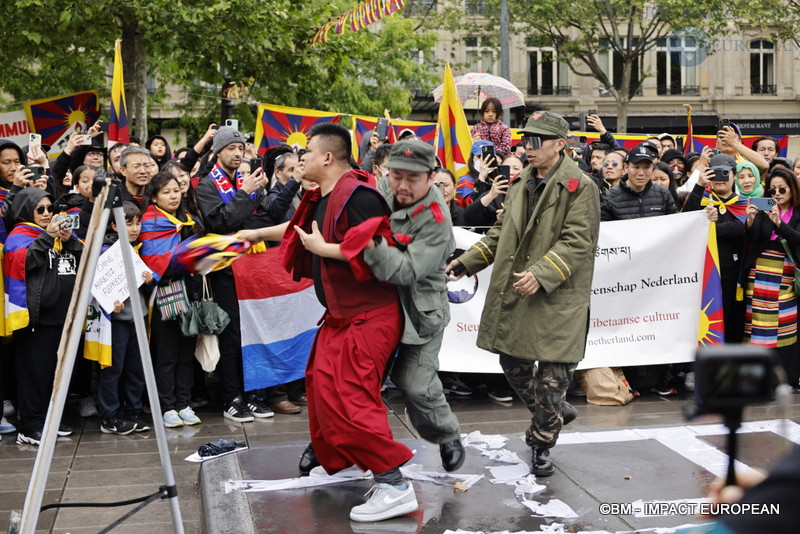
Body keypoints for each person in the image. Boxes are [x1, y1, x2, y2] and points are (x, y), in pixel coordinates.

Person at [445, 111, 600, 477]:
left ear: (560, 145)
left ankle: (541, 441)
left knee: (552, 376)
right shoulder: (519, 183)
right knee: (511, 363)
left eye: (537, 141)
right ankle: (555, 410)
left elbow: (578, 241)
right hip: (519, 290)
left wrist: (542, 273)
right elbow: (500, 235)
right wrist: (466, 263)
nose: (527, 147)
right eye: (526, 140)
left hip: (558, 296)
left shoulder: (581, 187)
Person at [282, 122, 417, 522]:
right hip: (341, 318)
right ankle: (341, 461)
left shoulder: (358, 196)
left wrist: (326, 249)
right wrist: (252, 231)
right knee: (322, 389)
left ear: (326, 157)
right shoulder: (322, 196)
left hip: (369, 318)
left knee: (353, 401)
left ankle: (394, 485)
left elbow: (385, 253)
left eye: (305, 151)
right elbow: (298, 235)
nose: (299, 157)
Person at [362, 140, 465, 471]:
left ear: (431, 177)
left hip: (419, 310)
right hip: (376, 304)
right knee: (350, 380)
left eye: (413, 179)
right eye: (396, 176)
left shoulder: (436, 219)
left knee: (415, 383)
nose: (402, 186)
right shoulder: (382, 189)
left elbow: (406, 270)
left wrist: (369, 242)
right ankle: (324, 447)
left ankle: (446, 434)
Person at [195, 126, 288, 421]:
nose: (238, 153)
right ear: (218, 152)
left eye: (241, 148)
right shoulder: (207, 186)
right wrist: (245, 193)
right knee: (232, 336)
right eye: (231, 148)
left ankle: (252, 394)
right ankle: (231, 398)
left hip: (254, 270)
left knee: (253, 332)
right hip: (226, 272)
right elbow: (221, 223)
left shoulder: (244, 181)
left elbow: (264, 218)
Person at [4, 188, 82, 445]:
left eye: (50, 209)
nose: (48, 214)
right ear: (27, 211)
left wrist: (69, 240)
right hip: (37, 320)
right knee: (34, 375)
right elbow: (24, 263)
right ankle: (29, 426)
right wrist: (47, 238)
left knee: (56, 374)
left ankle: (51, 420)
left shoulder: (58, 234)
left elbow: (85, 260)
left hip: (64, 317)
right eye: (41, 209)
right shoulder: (21, 235)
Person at [141, 172, 203, 428]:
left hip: (190, 290)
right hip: (165, 291)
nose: (173, 195)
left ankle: (184, 403)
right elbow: (155, 262)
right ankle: (167, 406)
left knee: (186, 351)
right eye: (166, 192)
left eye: (176, 190)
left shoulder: (189, 220)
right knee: (167, 353)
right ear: (154, 196)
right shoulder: (150, 223)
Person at [96, 201, 153, 435]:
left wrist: (149, 280)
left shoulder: (138, 248)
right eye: (128, 223)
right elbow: (96, 286)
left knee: (136, 368)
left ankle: (133, 411)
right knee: (112, 369)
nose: (134, 228)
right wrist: (110, 303)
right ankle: (109, 417)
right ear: (114, 226)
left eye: (138, 222)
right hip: (116, 322)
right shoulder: (106, 252)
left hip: (138, 318)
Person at [742, 166, 800, 389]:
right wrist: (750, 221)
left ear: (792, 189)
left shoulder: (797, 212)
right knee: (756, 327)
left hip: (787, 278)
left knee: (785, 328)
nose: (776, 194)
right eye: (772, 189)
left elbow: (797, 239)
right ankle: (757, 379)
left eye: (782, 189)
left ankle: (785, 378)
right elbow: (752, 240)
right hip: (759, 277)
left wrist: (780, 224)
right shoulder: (764, 209)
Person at [682, 154, 746, 342]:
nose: (720, 178)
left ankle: (733, 364)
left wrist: (709, 228)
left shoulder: (743, 203)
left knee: (733, 320)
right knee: (705, 320)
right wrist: (699, 185)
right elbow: (684, 222)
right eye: (714, 172)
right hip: (705, 273)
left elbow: (741, 229)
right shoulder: (701, 199)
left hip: (732, 274)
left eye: (725, 172)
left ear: (734, 175)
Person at [602, 144, 678, 221]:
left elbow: (675, 223)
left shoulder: (663, 194)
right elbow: (602, 228)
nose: (641, 173)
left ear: (652, 168)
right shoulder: (610, 197)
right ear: (626, 167)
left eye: (646, 167)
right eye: (636, 167)